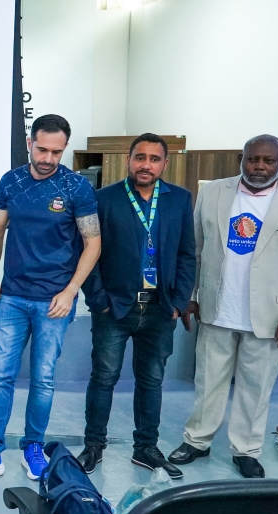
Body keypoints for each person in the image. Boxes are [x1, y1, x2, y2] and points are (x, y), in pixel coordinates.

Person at [168, 135, 278, 478]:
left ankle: (246, 450)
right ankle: (197, 440)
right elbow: (194, 250)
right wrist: (190, 295)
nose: (259, 167)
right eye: (253, 159)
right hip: (217, 307)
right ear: (242, 159)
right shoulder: (213, 193)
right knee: (207, 381)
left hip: (270, 316)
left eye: (269, 161)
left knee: (256, 387)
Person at [0, 114, 101, 483]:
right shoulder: (12, 180)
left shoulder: (76, 187)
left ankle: (33, 447)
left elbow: (93, 242)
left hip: (55, 301)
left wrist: (71, 290)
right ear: (29, 143)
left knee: (43, 379)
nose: (48, 158)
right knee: (0, 377)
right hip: (12, 297)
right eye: (42, 149)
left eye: (56, 152)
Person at [77, 133, 195, 478]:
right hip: (114, 307)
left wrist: (178, 301)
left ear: (165, 164)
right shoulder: (103, 199)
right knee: (103, 378)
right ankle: (93, 446)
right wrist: (98, 301)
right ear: (128, 160)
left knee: (152, 380)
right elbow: (87, 252)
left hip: (160, 308)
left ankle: (146, 448)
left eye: (154, 159)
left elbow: (187, 254)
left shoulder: (179, 199)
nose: (146, 165)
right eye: (140, 157)